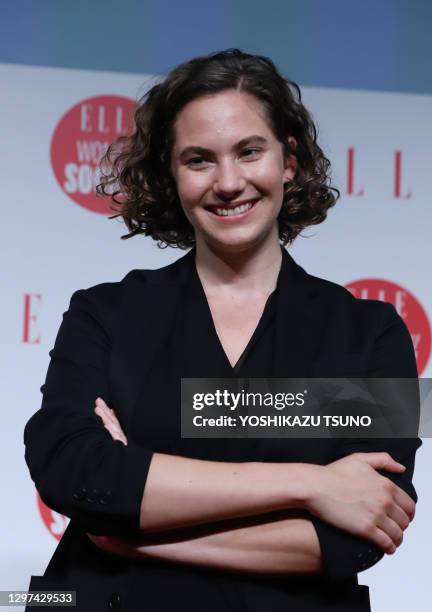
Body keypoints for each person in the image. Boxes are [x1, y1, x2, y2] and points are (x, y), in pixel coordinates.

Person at [24, 49, 421, 612]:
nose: (228, 182)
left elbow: (362, 532)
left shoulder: (370, 332)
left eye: (249, 151)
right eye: (199, 159)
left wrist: (129, 532)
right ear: (171, 173)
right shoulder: (106, 313)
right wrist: (311, 484)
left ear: (290, 159)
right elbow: (74, 474)